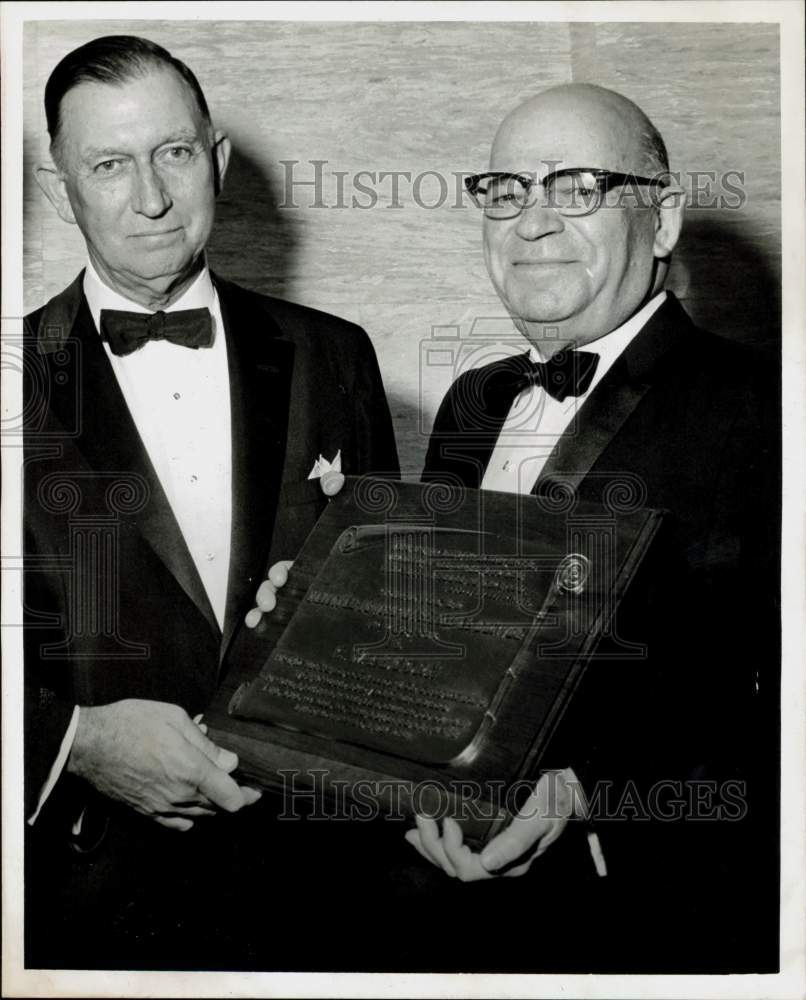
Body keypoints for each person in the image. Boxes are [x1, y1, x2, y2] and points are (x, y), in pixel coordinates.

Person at [23, 34, 398, 969]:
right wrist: (71, 740)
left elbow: (392, 614)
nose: (150, 199)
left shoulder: (335, 353)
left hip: (325, 891)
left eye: (175, 154)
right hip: (81, 901)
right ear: (56, 185)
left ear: (218, 160)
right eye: (109, 164)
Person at [413, 84, 779, 972]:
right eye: (505, 191)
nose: (530, 222)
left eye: (576, 187)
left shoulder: (766, 407)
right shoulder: (470, 404)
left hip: (652, 917)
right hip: (436, 897)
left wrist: (590, 794)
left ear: (662, 223)